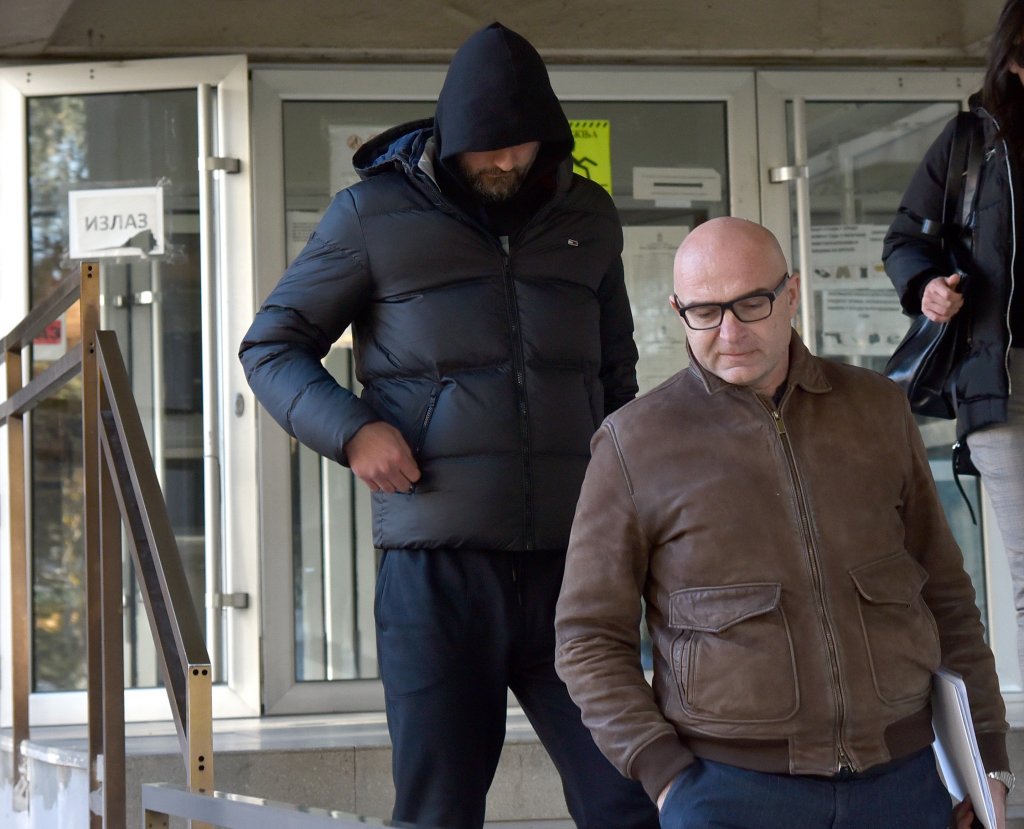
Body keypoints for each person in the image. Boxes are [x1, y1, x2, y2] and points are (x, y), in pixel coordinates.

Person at [239, 21, 658, 829]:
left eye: (521, 146)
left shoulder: (588, 216)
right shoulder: (372, 215)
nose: (504, 162)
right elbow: (272, 346)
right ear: (452, 137)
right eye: (486, 148)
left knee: (629, 798)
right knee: (440, 811)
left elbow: (615, 374)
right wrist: (352, 430)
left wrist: (632, 508)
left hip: (573, 566)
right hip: (438, 573)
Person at [554, 217, 1011, 829]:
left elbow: (947, 598)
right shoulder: (633, 443)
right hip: (727, 792)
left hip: (903, 784)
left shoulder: (877, 409)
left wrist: (987, 761)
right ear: (678, 311)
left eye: (752, 303)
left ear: (791, 293)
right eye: (705, 312)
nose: (730, 331)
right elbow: (587, 637)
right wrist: (664, 776)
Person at [884, 0, 1024, 692]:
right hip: (1001, 384)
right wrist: (927, 287)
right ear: (1014, 60)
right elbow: (905, 240)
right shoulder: (975, 140)